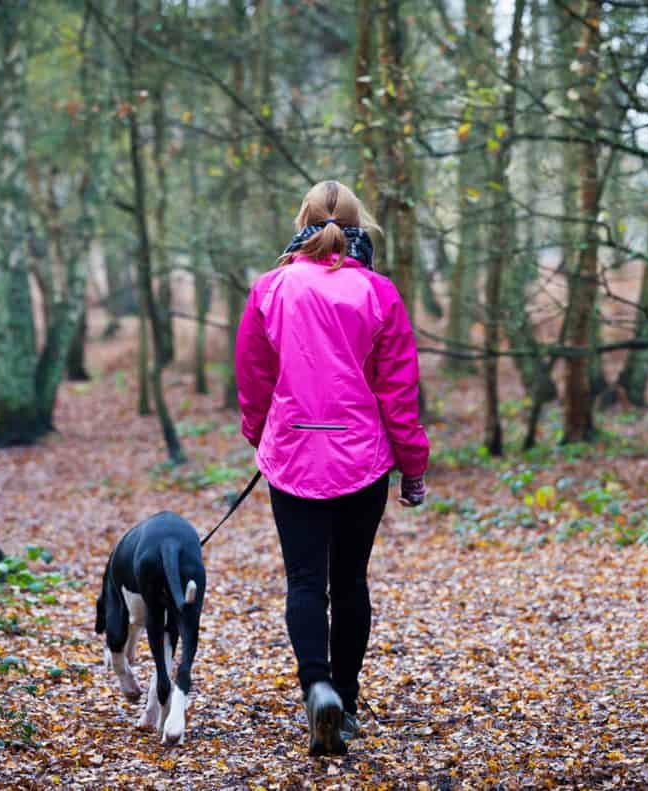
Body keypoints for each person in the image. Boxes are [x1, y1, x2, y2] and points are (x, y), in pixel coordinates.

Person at [235, 180, 429, 756]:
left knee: (303, 582)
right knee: (349, 584)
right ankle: (342, 698)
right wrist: (412, 466)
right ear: (357, 227)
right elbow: (398, 390)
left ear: (303, 223)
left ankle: (315, 685)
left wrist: (259, 435)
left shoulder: (270, 289)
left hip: (294, 455)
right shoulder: (378, 292)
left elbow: (253, 379)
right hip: (362, 459)